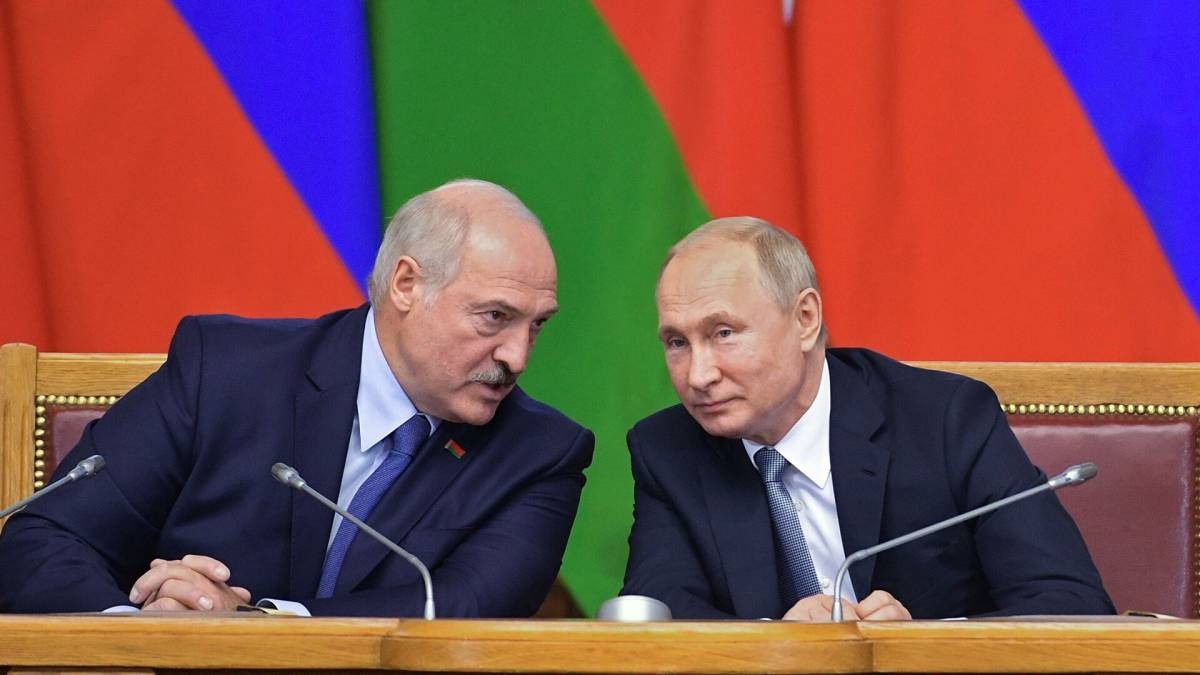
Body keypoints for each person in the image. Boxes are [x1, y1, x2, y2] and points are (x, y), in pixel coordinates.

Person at [0, 179, 594, 617]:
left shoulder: (539, 453)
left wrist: (251, 626)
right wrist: (140, 634)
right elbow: (46, 538)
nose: (517, 356)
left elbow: (464, 609)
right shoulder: (225, 372)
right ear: (407, 284)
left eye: (537, 325)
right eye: (495, 317)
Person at [621, 216, 1113, 621]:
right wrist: (774, 642)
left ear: (805, 319)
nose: (699, 375)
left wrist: (920, 647)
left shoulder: (944, 420)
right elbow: (656, 618)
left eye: (724, 333)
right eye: (677, 342)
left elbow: (1072, 605)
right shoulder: (667, 450)